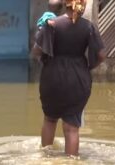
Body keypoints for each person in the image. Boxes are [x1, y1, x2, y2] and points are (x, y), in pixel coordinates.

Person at [32, 0, 106, 156]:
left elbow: (36, 52)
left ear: (65, 3)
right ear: (83, 5)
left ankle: (46, 157)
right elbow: (101, 55)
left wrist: (43, 33)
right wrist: (87, 68)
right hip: (78, 80)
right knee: (72, 128)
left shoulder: (52, 24)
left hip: (52, 78)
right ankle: (71, 160)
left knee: (50, 119)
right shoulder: (88, 27)